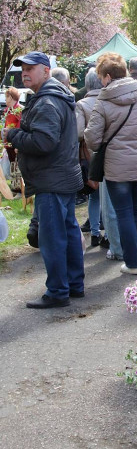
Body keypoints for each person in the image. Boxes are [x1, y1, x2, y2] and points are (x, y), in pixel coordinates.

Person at [2, 51, 84, 308]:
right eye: (23, 68)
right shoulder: (53, 97)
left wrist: (14, 134)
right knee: (68, 232)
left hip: (52, 179)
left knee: (53, 237)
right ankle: (73, 285)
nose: (25, 72)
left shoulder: (48, 101)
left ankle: (58, 291)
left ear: (46, 71)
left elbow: (44, 141)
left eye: (31, 68)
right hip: (61, 176)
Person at [84, 52, 137, 275]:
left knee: (124, 214)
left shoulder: (104, 101)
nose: (100, 81)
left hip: (117, 169)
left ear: (107, 76)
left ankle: (134, 263)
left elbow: (93, 139)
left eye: (100, 77)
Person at [76, 69, 122, 257]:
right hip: (113, 156)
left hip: (91, 157)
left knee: (95, 198)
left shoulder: (82, 104)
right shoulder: (111, 101)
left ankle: (95, 233)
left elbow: (78, 133)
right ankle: (110, 237)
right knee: (111, 200)